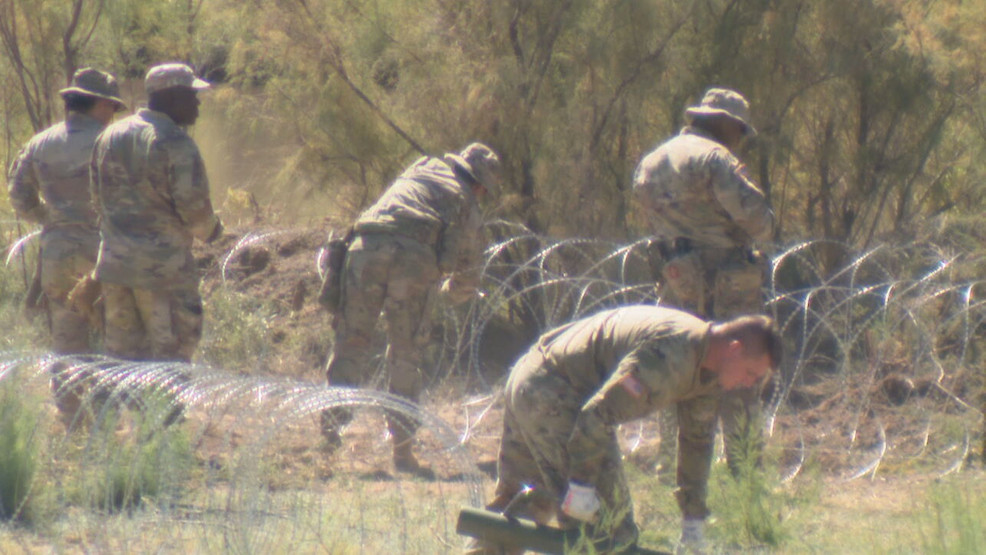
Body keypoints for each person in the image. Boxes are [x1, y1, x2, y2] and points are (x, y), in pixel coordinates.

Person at [467, 306, 781, 554]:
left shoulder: (709, 370)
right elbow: (596, 417)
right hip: (553, 391)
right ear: (734, 349)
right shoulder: (670, 357)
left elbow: (696, 442)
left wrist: (693, 520)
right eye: (751, 373)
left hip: (534, 380)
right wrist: (582, 486)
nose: (749, 384)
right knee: (608, 530)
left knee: (526, 500)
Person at [319, 143, 501, 474]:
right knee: (405, 353)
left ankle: (328, 439)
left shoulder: (421, 167)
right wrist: (448, 296)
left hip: (364, 247)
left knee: (350, 342)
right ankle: (402, 454)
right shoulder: (467, 203)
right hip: (413, 261)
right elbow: (470, 272)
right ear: (479, 185)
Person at [632, 87, 775, 477]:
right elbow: (759, 221)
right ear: (725, 124)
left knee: (678, 372)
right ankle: (745, 473)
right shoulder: (715, 160)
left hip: (676, 282)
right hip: (727, 284)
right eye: (740, 130)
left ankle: (675, 467)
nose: (740, 139)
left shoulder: (651, 161)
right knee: (740, 373)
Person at [7, 67, 126, 425]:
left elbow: (19, 196)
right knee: (113, 334)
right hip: (106, 254)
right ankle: (107, 418)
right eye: (113, 106)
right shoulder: (115, 142)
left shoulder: (41, 142)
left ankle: (70, 416)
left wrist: (51, 218)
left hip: (57, 253)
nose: (114, 113)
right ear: (100, 104)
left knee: (65, 334)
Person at [90, 63, 222, 363]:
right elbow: (197, 218)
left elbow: (97, 201)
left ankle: (122, 397)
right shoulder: (175, 142)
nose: (197, 103)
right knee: (170, 362)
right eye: (191, 95)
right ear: (172, 97)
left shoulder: (109, 135)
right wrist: (214, 231)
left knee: (123, 363)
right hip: (163, 276)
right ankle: (167, 399)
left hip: (115, 269)